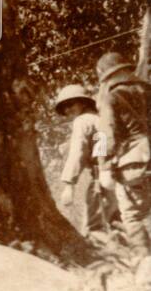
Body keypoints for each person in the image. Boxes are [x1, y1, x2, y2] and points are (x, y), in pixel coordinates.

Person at [95, 52, 151, 255]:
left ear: (107, 77)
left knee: (132, 216)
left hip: (134, 163)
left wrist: (103, 167)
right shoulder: (148, 90)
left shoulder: (112, 97)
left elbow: (104, 135)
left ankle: (145, 265)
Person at [54, 84, 117, 239]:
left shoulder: (82, 121)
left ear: (83, 102)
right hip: (115, 175)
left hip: (100, 177)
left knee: (94, 226)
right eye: (64, 108)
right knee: (117, 220)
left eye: (71, 104)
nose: (68, 110)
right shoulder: (100, 118)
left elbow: (78, 152)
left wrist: (69, 185)